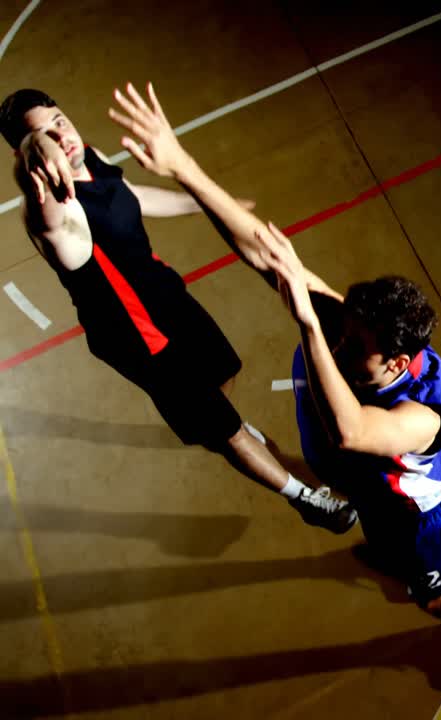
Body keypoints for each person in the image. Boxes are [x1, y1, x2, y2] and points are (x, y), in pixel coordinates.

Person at [108, 82, 441, 688]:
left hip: (419, 522)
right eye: (340, 331)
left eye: (354, 345)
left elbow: (352, 432)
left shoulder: (425, 411)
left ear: (398, 362)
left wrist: (308, 325)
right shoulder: (354, 330)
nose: (339, 342)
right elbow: (264, 253)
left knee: (434, 598)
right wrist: (183, 167)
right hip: (373, 500)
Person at [2, 87, 355, 532]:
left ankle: (217, 425)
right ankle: (304, 499)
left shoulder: (88, 157)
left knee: (224, 370)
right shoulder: (49, 212)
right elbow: (39, 201)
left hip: (166, 294)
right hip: (138, 336)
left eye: (60, 122)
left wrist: (200, 202)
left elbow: (131, 194)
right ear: (26, 151)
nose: (61, 137)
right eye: (42, 135)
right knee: (227, 432)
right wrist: (33, 152)